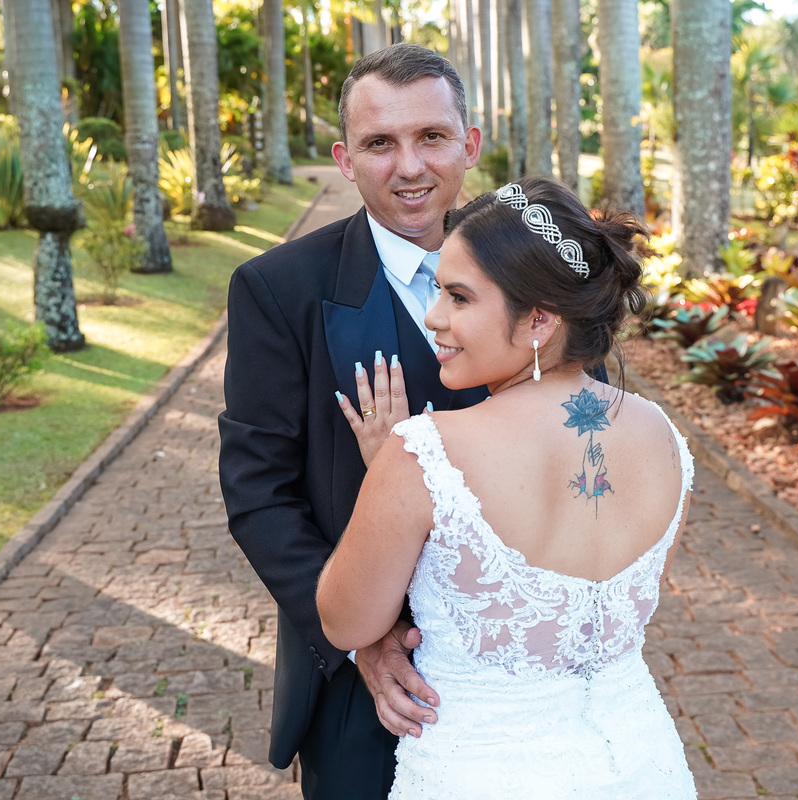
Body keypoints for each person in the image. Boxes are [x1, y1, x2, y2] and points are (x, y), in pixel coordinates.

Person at [316, 177, 699, 799]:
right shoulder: (664, 439)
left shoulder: (424, 454)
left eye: (459, 297)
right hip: (642, 765)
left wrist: (382, 472)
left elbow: (345, 622)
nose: (434, 317)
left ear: (540, 319)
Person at [217, 44, 487, 799]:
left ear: (469, 144)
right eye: (379, 143)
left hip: (517, 668)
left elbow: (577, 433)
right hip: (363, 690)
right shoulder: (278, 290)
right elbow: (259, 494)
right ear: (345, 159)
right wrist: (361, 639)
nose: (410, 166)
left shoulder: (531, 271)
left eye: (431, 136)